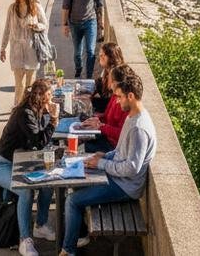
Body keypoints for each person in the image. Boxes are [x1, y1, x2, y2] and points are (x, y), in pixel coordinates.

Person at [60, 70, 157, 256]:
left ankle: (68, 251)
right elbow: (121, 151)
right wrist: (104, 155)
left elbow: (131, 168)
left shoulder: (138, 128)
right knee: (74, 185)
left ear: (131, 95)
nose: (117, 101)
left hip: (125, 187)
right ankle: (75, 238)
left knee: (73, 201)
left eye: (119, 97)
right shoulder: (132, 116)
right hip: (118, 177)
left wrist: (101, 164)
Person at [0, 78, 58, 256]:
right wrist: (53, 120)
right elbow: (40, 141)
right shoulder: (25, 113)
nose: (52, 100)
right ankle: (25, 240)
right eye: (49, 96)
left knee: (48, 184)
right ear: (40, 97)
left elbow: (39, 140)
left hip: (25, 161)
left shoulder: (37, 110)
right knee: (25, 191)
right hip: (4, 166)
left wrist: (47, 116)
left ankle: (41, 224)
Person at [0, 0, 48, 105]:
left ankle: (28, 108)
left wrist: (36, 25)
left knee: (30, 85)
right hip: (16, 51)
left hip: (31, 50)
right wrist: (3, 48)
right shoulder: (12, 8)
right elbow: (7, 29)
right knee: (19, 84)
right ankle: (17, 108)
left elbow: (44, 24)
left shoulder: (36, 7)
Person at [62, 0, 104, 79]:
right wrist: (64, 24)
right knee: (77, 53)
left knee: (90, 51)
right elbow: (65, 7)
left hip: (90, 22)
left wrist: (101, 25)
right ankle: (78, 69)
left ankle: (89, 77)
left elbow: (100, 6)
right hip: (74, 23)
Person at [80, 62, 132, 153]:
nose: (107, 79)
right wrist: (95, 119)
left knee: (79, 148)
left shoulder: (125, 104)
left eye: (110, 78)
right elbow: (106, 116)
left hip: (113, 146)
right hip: (106, 136)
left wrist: (101, 126)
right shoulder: (115, 96)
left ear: (116, 83)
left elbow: (121, 133)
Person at [91, 42, 125, 112]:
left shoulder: (117, 76)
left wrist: (91, 100)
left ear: (111, 57)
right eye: (100, 54)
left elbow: (110, 103)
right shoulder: (107, 70)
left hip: (108, 111)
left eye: (103, 55)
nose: (100, 56)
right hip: (106, 108)